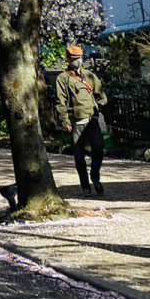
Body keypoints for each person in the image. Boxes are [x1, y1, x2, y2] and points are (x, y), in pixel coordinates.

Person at [54, 44, 108, 197]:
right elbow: (60, 101)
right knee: (79, 157)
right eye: (74, 59)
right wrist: (65, 120)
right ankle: (85, 186)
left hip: (92, 120)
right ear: (68, 60)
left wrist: (101, 111)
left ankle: (95, 177)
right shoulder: (63, 78)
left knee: (99, 148)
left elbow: (101, 96)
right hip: (76, 122)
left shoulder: (89, 75)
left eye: (79, 58)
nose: (78, 61)